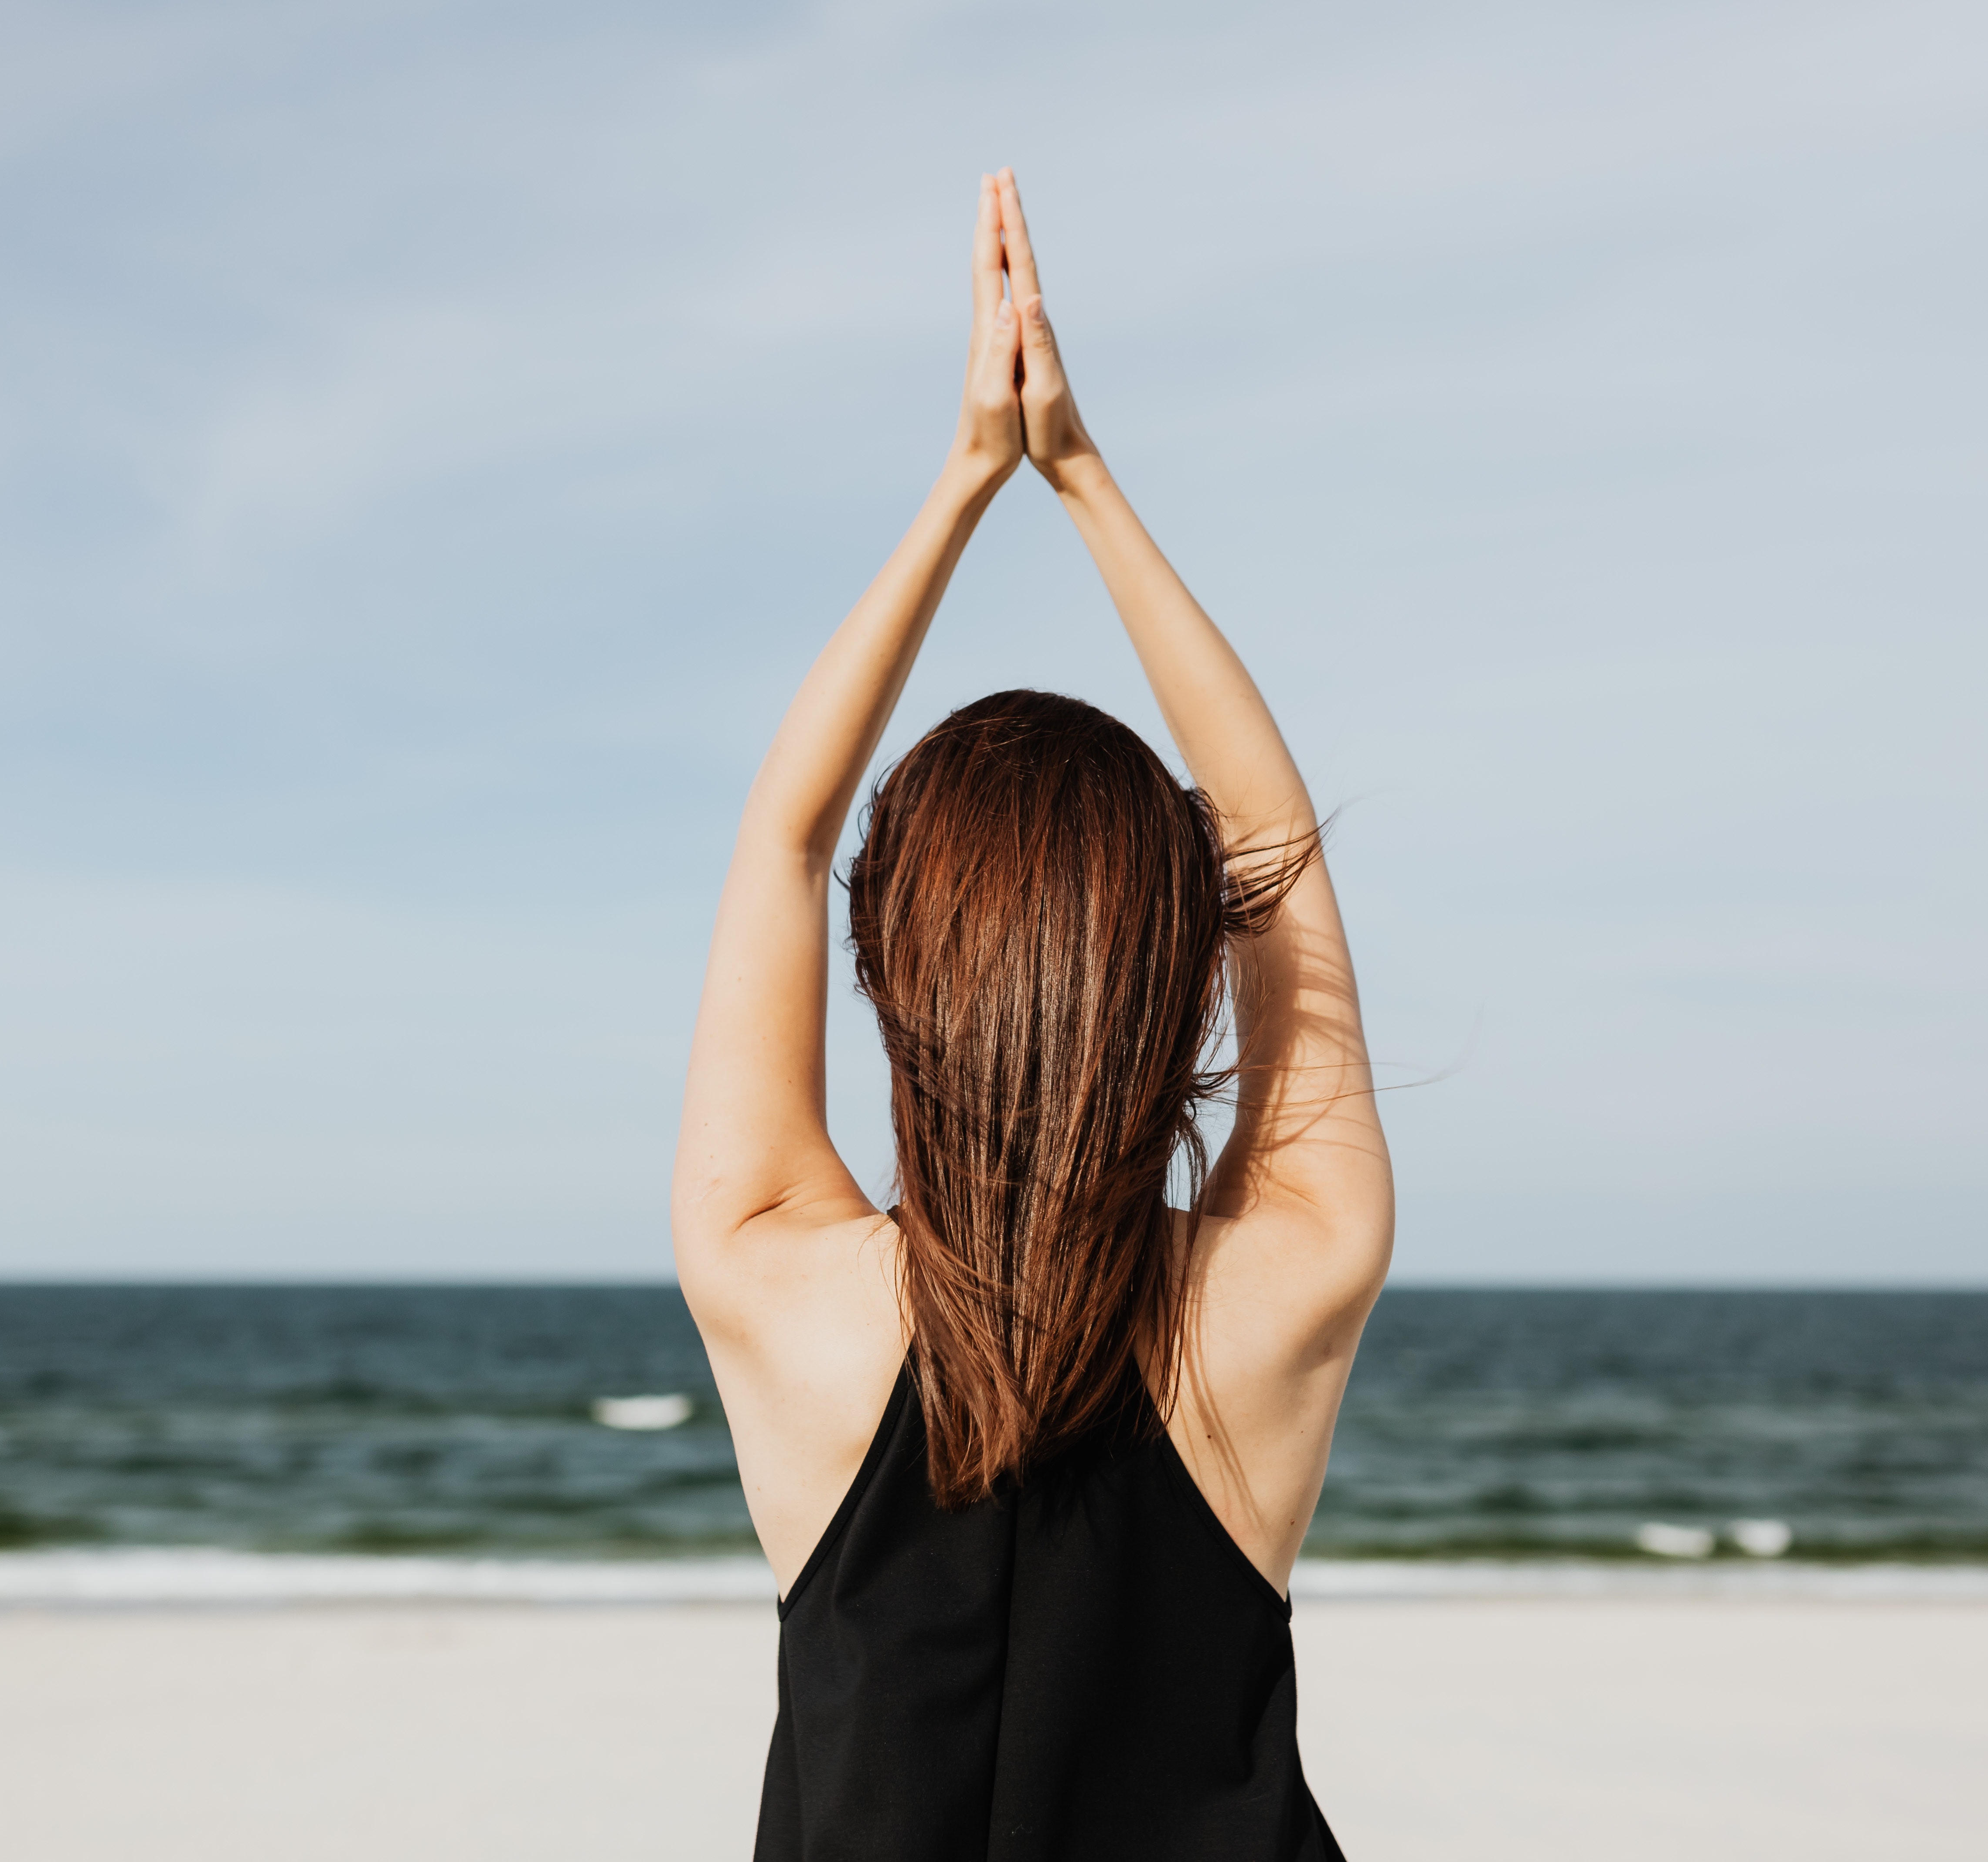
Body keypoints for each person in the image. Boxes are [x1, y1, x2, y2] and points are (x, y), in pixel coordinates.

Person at [672, 169, 1393, 1862]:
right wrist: (1085, 480)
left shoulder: (780, 1289)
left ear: (882, 970)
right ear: (1188, 964)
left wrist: (966, 483)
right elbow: (1278, 850)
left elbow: (779, 842)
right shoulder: (1279, 1285)